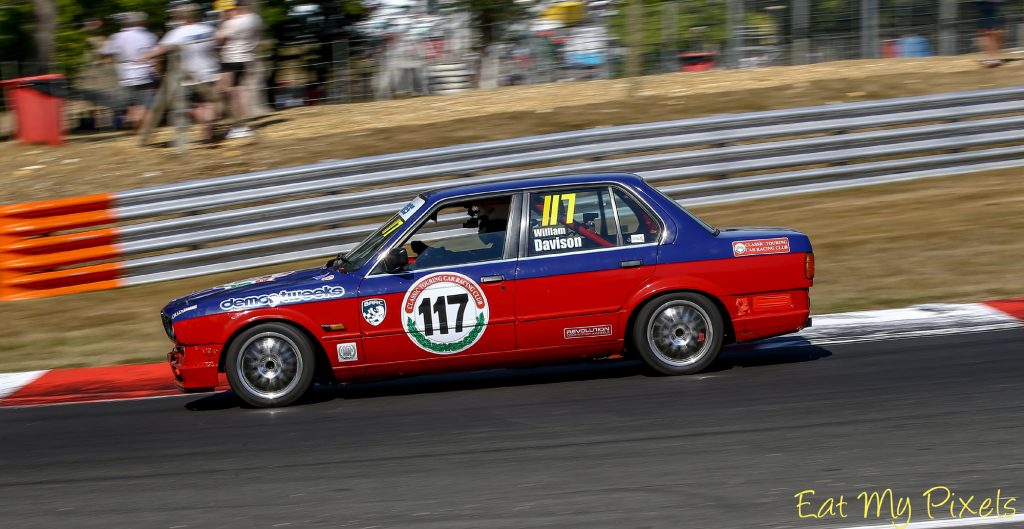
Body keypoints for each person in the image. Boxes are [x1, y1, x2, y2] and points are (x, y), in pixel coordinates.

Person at [140, 3, 219, 142]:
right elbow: (218, 46)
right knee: (208, 103)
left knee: (193, 105)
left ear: (183, 16)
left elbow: (161, 49)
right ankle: (208, 130)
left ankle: (206, 129)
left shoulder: (178, 33)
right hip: (210, 71)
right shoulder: (209, 29)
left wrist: (144, 57)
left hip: (189, 75)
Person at [100, 12, 158, 132]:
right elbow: (156, 58)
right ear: (142, 22)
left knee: (133, 106)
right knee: (146, 106)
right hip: (146, 73)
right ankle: (144, 132)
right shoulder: (150, 36)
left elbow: (105, 56)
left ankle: (136, 130)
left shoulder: (116, 37)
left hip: (125, 75)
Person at [216, 0, 262, 139]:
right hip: (246, 57)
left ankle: (239, 126)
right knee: (239, 91)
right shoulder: (255, 18)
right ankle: (241, 123)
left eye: (226, 9)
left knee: (233, 94)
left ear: (236, 7)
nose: (224, 12)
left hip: (231, 59)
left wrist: (222, 21)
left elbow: (218, 39)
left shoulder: (233, 23)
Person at [976, 0, 1006, 67]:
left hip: (989, 4)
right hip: (985, 4)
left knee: (989, 31)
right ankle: (993, 57)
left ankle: (994, 58)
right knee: (986, 31)